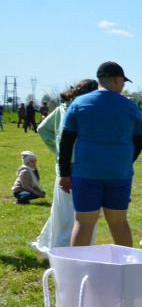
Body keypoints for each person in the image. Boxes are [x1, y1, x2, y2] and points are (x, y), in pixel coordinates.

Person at [58, 62, 142, 246]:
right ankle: (125, 271)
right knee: (119, 222)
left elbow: (66, 142)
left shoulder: (79, 103)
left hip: (86, 173)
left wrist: (65, 173)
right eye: (123, 82)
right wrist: (126, 161)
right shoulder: (130, 107)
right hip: (119, 174)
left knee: (83, 223)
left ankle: (78, 272)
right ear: (116, 79)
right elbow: (140, 139)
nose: (123, 86)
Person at [30, 79, 99, 253]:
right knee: (75, 215)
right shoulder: (84, 110)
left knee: (61, 212)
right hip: (79, 168)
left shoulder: (63, 107)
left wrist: (59, 151)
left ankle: (53, 245)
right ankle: (65, 252)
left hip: (64, 166)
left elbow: (43, 129)